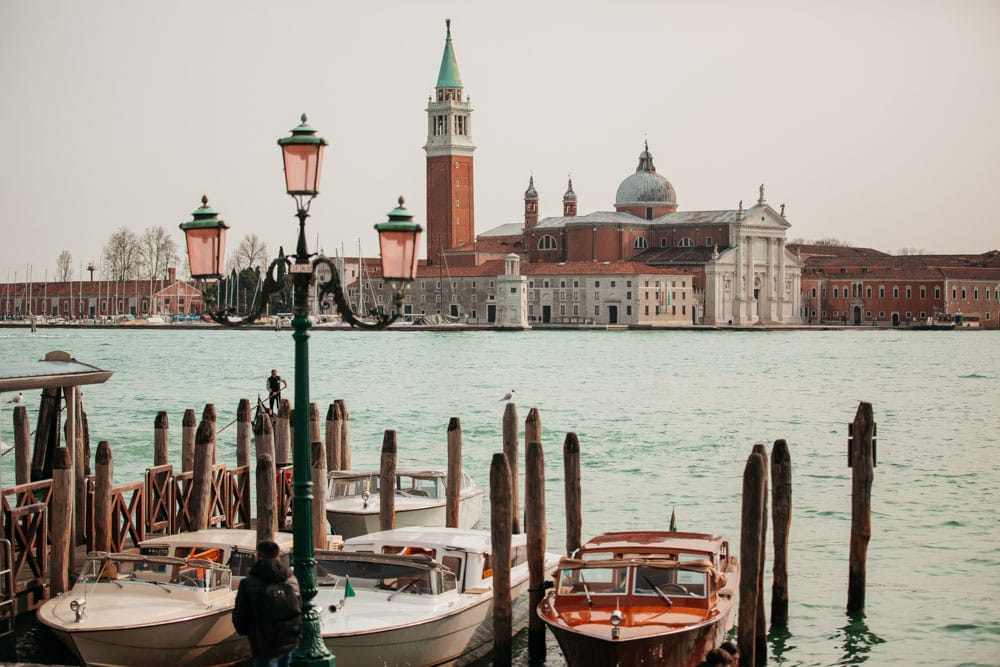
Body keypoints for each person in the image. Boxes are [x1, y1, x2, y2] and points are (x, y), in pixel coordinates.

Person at [232, 540, 302, 667]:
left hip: (264, 645)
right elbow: (298, 606)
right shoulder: (289, 578)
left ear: (257, 556)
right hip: (289, 641)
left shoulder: (248, 583)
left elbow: (241, 615)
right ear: (277, 556)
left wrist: (247, 632)